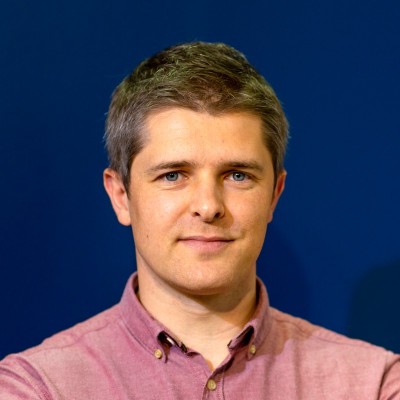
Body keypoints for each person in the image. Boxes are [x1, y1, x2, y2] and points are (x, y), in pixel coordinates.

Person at [0, 42, 399, 399]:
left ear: (274, 194)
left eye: (237, 175)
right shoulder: (37, 387)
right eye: (173, 175)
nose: (208, 207)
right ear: (121, 196)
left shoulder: (374, 385)